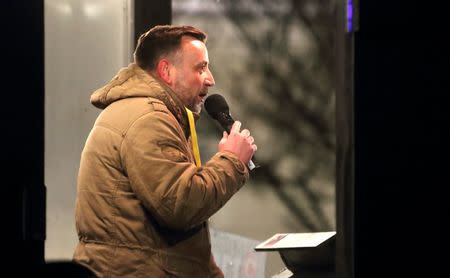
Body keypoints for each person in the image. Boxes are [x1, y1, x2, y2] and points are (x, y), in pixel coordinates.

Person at [72, 25, 257, 277]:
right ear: (166, 71)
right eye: (200, 68)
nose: (211, 79)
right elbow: (180, 204)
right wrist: (232, 161)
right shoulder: (148, 119)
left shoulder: (147, 113)